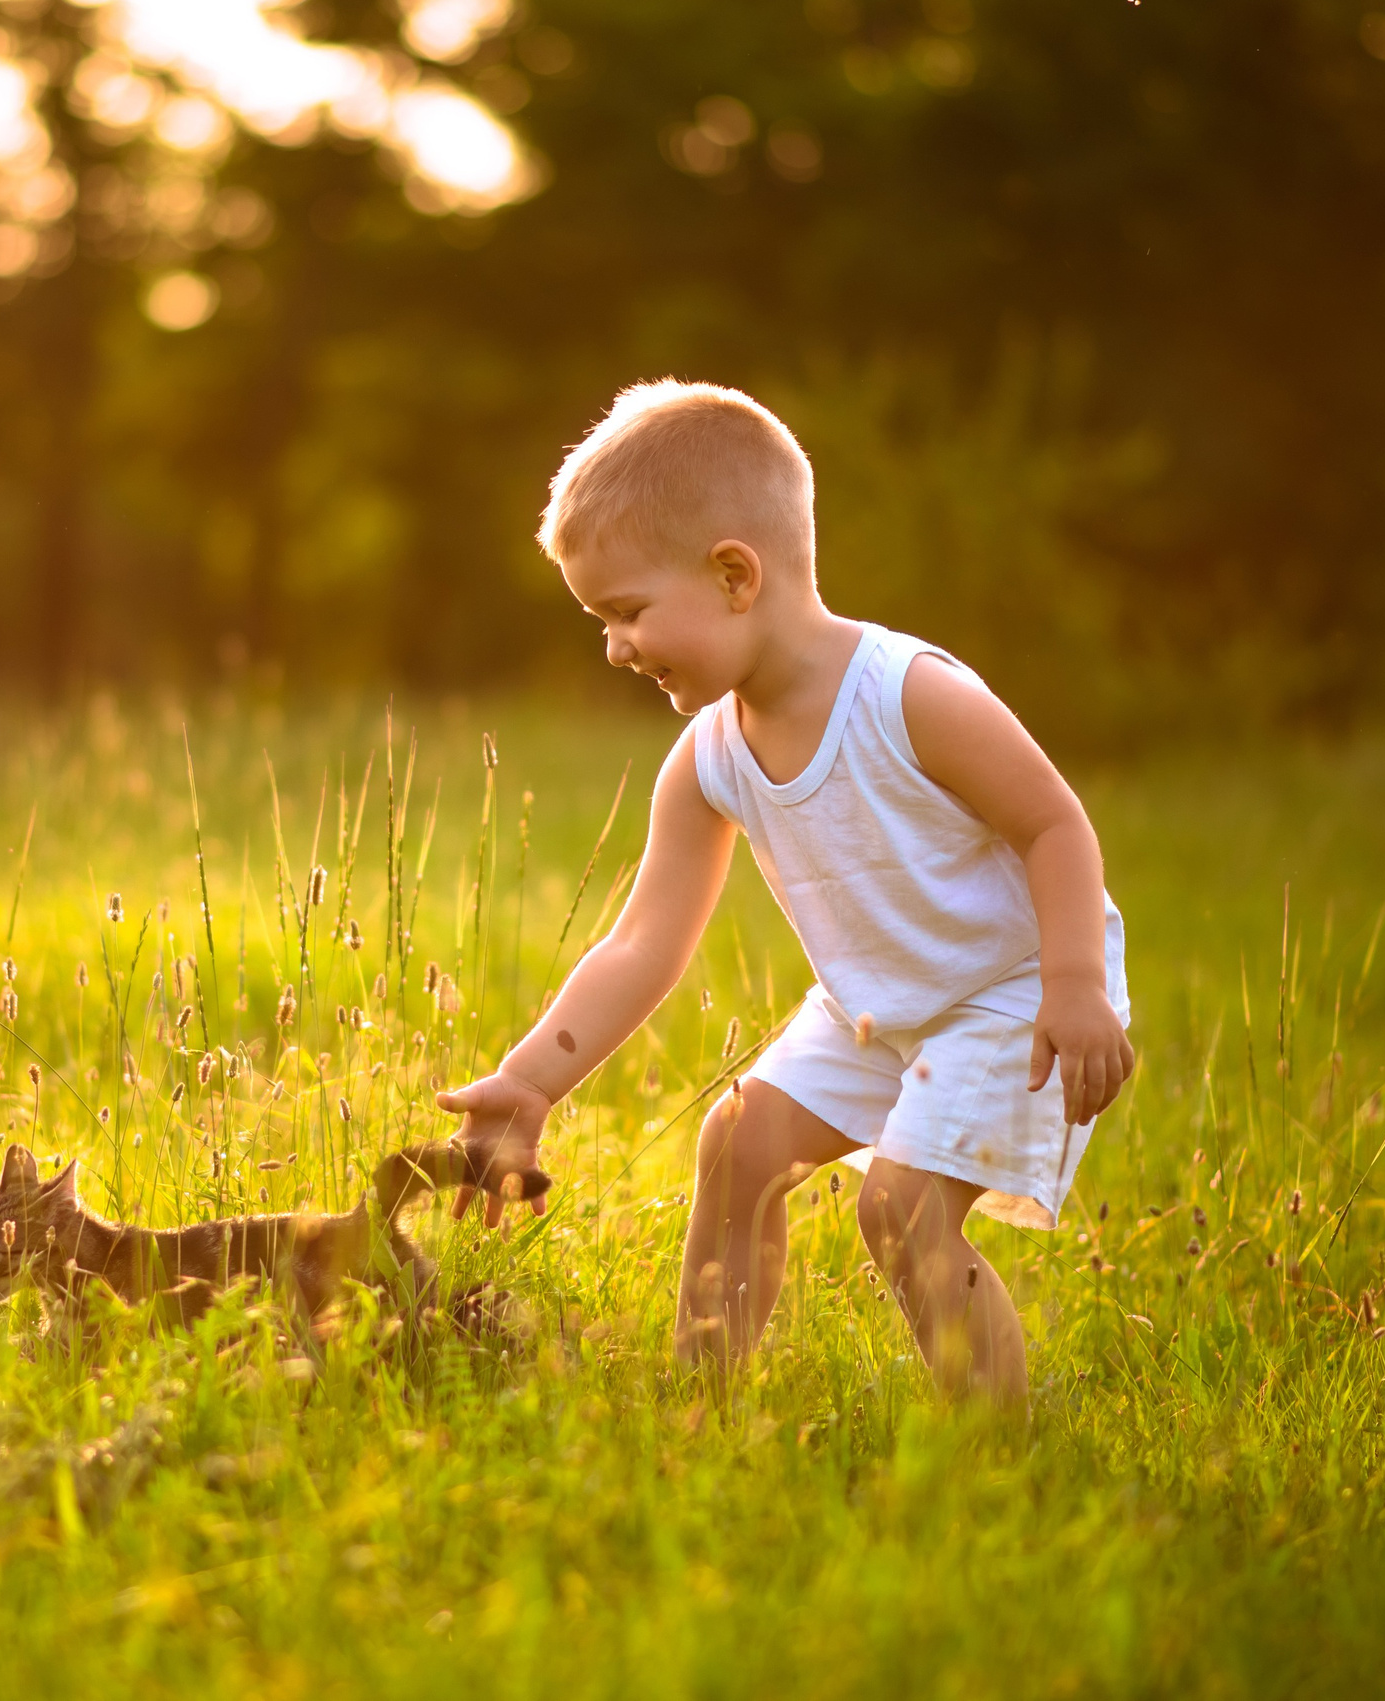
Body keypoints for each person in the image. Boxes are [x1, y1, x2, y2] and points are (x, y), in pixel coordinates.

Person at [435, 380, 1133, 1406]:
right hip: (875, 1003)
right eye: (600, 620)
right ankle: (703, 1399)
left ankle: (996, 1461)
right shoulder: (707, 755)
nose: (614, 646)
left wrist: (1075, 984)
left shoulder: (908, 693)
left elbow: (1052, 821)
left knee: (900, 1211)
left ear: (732, 574)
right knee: (738, 1139)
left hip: (1014, 994)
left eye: (626, 611)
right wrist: (532, 1080)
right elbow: (641, 945)